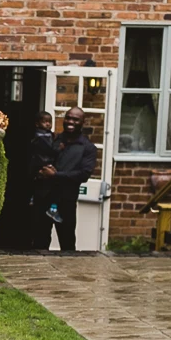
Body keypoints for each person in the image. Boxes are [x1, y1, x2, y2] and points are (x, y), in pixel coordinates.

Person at [37, 107, 98, 251]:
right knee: (39, 242)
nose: (70, 122)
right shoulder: (54, 139)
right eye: (68, 118)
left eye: (75, 119)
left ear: (82, 122)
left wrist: (56, 175)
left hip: (66, 202)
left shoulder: (88, 147)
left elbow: (84, 174)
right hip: (45, 198)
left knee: (67, 243)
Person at [28, 110, 58, 249]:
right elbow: (46, 149)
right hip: (40, 166)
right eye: (44, 121)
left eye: (50, 122)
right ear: (37, 123)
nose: (48, 124)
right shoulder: (39, 136)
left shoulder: (51, 135)